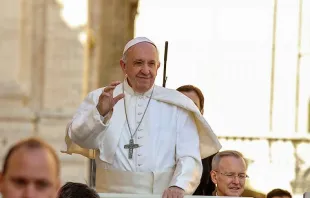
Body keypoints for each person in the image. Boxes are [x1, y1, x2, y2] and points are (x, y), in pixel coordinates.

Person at [62, 37, 222, 197]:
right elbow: (80, 138)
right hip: (110, 196)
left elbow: (189, 156)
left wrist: (179, 186)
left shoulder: (177, 105)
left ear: (158, 66)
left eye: (151, 64)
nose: (146, 70)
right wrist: (100, 113)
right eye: (138, 63)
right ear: (123, 66)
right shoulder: (101, 97)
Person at [177, 85, 215, 195]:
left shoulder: (209, 147)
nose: (187, 111)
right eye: (181, 105)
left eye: (192, 106)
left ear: (201, 112)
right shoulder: (156, 142)